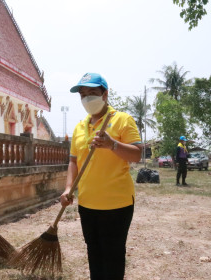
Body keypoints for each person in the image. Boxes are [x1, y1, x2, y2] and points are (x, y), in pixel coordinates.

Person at [60, 73, 142, 280]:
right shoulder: (80, 127)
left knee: (113, 256)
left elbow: (137, 154)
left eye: (92, 93)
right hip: (87, 203)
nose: (87, 99)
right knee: (94, 253)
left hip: (117, 204)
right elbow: (73, 161)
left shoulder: (122, 120)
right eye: (83, 95)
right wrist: (68, 189)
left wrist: (112, 144)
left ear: (105, 94)